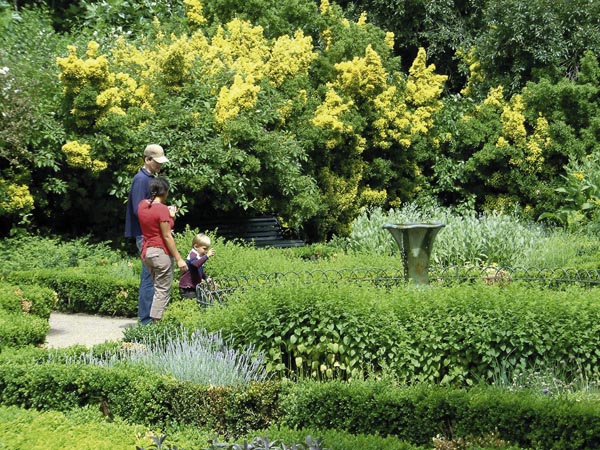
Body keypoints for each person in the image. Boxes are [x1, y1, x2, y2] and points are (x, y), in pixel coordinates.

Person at [124, 144, 169, 325]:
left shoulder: (149, 178)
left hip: (148, 234)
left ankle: (150, 320)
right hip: (145, 235)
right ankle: (146, 321)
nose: (160, 165)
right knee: (150, 279)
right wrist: (161, 213)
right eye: (157, 162)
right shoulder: (141, 180)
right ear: (147, 159)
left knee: (152, 277)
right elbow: (139, 210)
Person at [137, 177, 188, 321]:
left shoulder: (142, 205)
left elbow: (154, 225)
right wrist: (179, 259)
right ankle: (156, 325)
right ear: (165, 191)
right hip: (161, 253)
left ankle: (150, 321)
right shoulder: (162, 209)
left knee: (156, 289)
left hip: (147, 252)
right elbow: (166, 235)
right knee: (162, 291)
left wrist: (170, 216)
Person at [178, 233, 216, 299]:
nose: (206, 251)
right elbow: (195, 265)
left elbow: (199, 269)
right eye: (204, 249)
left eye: (207, 249)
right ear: (196, 247)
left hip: (193, 286)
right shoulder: (193, 255)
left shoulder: (199, 256)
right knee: (192, 301)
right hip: (187, 287)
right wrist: (207, 256)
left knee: (198, 299)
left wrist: (205, 277)